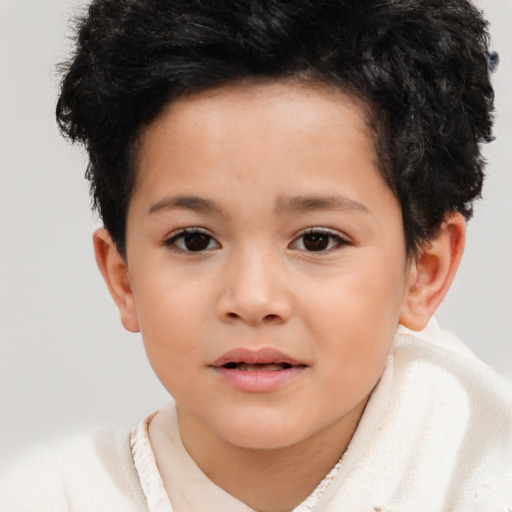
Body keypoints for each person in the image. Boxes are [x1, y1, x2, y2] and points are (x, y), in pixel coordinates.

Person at [1, 0, 511, 510]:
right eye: (193, 240)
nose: (252, 298)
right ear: (124, 278)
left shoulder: (487, 482)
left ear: (424, 271)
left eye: (317, 240)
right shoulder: (44, 496)